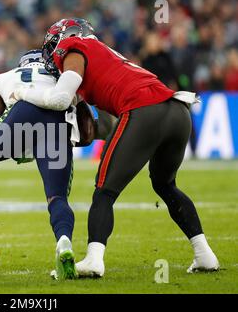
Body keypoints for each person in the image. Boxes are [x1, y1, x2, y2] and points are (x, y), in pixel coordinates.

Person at [14, 18, 219, 278]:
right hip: (177, 111)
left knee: (104, 193)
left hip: (144, 110)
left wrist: (23, 95)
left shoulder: (73, 47)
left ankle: (93, 260)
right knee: (165, 185)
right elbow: (109, 127)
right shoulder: (105, 55)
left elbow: (61, 98)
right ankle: (204, 254)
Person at [0, 50, 97, 280]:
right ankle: (64, 243)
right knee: (57, 198)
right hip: (57, 125)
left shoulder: (8, 75)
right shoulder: (65, 78)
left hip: (23, 114)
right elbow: (88, 134)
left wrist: (15, 143)